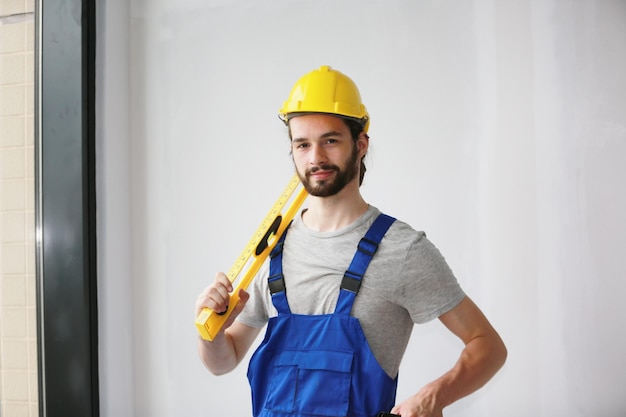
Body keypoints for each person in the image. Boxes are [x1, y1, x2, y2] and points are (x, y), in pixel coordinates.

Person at [195, 65, 507, 417]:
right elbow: (224, 361)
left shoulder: (402, 250)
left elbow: (489, 347)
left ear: (360, 144)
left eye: (330, 140)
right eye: (303, 144)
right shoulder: (270, 249)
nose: (315, 158)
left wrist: (434, 396)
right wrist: (211, 332)